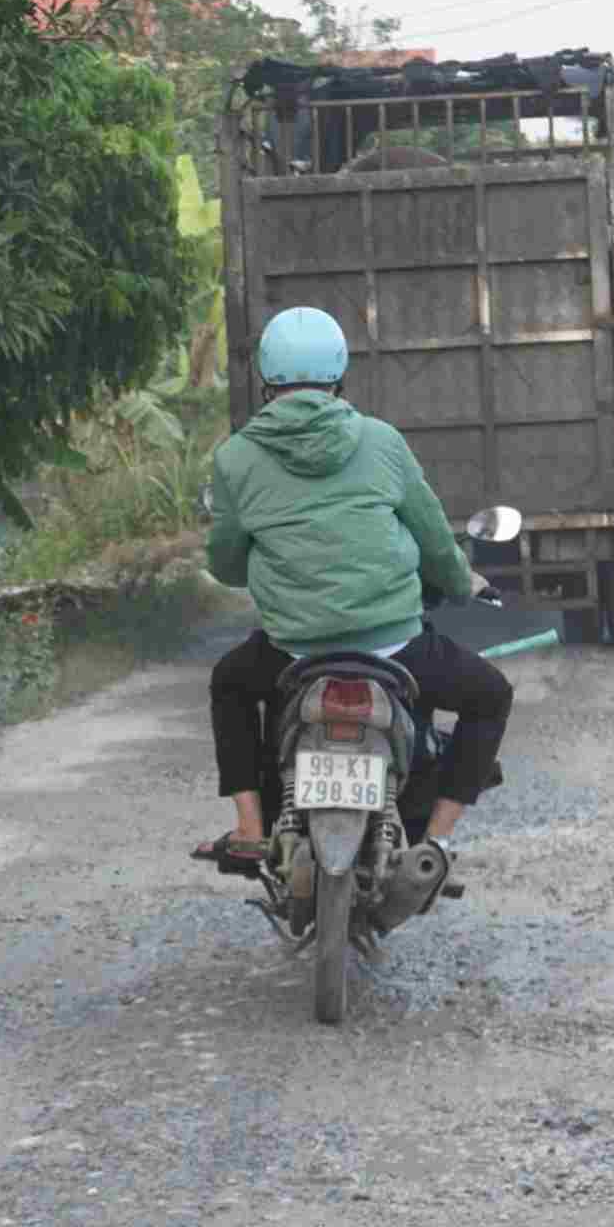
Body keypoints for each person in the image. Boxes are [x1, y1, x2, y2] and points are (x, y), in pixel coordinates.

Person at [193, 307, 514, 866]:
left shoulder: (236, 456)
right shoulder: (381, 441)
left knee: (230, 683)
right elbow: (435, 540)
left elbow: (225, 562)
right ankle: (435, 843)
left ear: (266, 377)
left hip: (291, 652)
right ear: (340, 373)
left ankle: (249, 827)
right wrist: (464, 581)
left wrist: (269, 569)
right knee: (490, 696)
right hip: (394, 648)